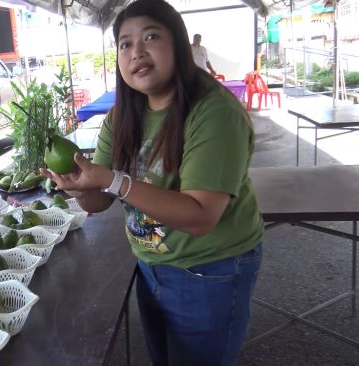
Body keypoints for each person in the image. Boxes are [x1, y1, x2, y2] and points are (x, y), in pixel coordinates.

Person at [40, 1, 263, 365]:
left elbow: (200, 216)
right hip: (151, 264)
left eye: (150, 37)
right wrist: (78, 188)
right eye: (125, 44)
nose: (136, 51)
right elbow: (100, 201)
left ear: (178, 44)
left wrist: (114, 180)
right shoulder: (122, 116)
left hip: (210, 268)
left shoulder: (213, 112)